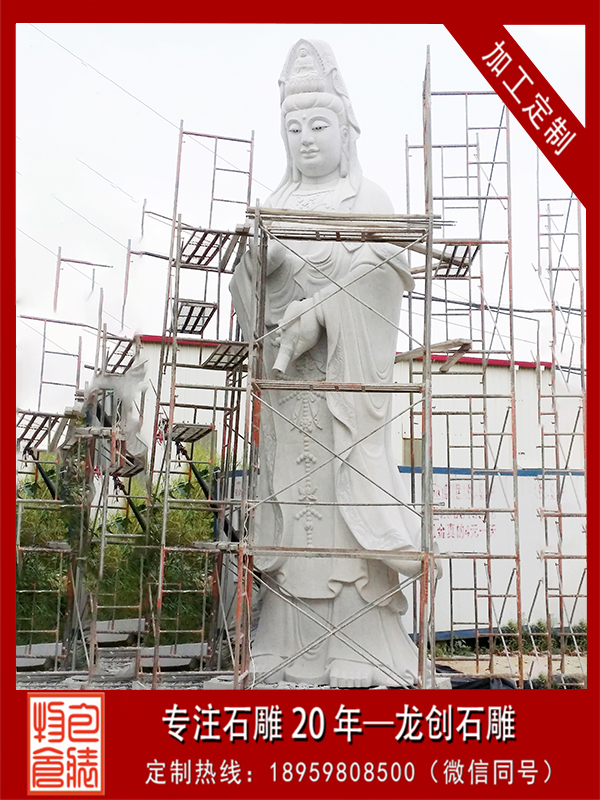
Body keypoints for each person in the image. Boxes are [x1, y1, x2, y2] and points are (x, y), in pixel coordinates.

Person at [231, 39, 427, 688]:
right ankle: (286, 646)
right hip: (293, 398)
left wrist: (325, 308)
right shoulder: (275, 204)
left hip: (344, 393)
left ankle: (364, 647)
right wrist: (259, 271)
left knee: (344, 519)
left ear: (346, 131)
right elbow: (248, 299)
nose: (307, 139)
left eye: (319, 125)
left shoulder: (369, 198)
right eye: (294, 129)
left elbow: (386, 269)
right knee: (295, 515)